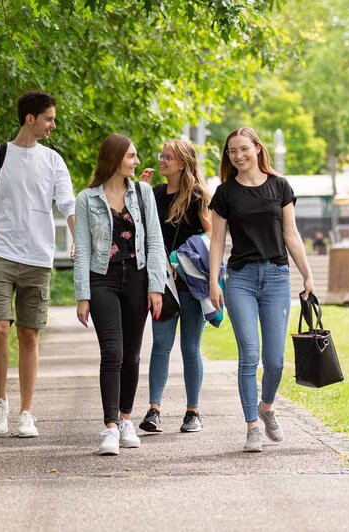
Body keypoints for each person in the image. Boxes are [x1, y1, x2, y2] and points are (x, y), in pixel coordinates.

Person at [0, 91, 76, 439]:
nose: (53, 125)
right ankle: (1, 401)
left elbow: (68, 204)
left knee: (29, 334)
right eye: (49, 118)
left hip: (38, 257)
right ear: (30, 118)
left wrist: (79, 242)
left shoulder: (53, 161)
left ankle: (27, 411)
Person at [208, 127, 315, 453]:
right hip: (240, 278)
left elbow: (291, 234)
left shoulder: (279, 186)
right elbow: (216, 240)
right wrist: (214, 281)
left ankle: (266, 407)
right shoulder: (225, 193)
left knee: (276, 360)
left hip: (277, 278)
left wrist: (307, 274)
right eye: (231, 152)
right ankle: (252, 426)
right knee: (249, 356)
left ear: (257, 148)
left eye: (243, 149)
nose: (238, 156)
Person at [73, 134, 165, 456]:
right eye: (131, 156)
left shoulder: (143, 193)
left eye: (135, 156)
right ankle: (110, 426)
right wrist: (82, 295)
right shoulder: (86, 199)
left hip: (137, 278)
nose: (136, 162)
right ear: (113, 159)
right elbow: (82, 248)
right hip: (103, 280)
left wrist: (156, 286)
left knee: (133, 354)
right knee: (112, 352)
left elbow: (155, 240)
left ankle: (127, 419)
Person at [136, 139, 212, 434]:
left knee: (191, 347)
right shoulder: (154, 194)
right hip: (162, 285)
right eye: (162, 156)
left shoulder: (197, 196)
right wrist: (140, 192)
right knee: (160, 345)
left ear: (182, 163)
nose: (162, 161)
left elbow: (212, 237)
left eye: (168, 157)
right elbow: (141, 232)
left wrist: (187, 260)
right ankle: (154, 409)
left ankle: (193, 412)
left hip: (191, 284)